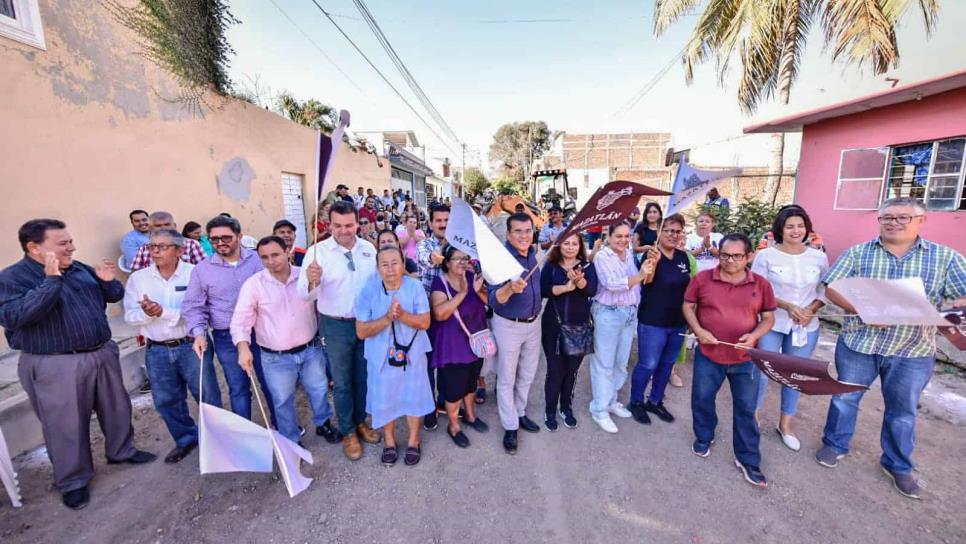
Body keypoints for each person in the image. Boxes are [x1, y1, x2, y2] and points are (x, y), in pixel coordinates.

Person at [817, 197, 966, 500]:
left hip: (913, 349)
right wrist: (864, 309)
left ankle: (897, 464)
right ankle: (835, 444)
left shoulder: (946, 258)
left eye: (903, 218)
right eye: (888, 217)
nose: (894, 222)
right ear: (880, 220)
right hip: (860, 343)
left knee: (902, 412)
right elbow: (832, 286)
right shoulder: (859, 253)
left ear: (921, 221)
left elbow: (961, 297)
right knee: (845, 398)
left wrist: (937, 310)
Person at [0, 219, 155, 510]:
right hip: (55, 364)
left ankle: (122, 451)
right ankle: (72, 480)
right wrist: (51, 280)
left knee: (117, 407)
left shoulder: (78, 268)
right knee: (64, 424)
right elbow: (16, 317)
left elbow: (112, 297)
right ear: (34, 247)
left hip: (101, 352)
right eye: (63, 243)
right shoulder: (12, 279)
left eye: (70, 241)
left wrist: (109, 283)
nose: (72, 246)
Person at [682, 233, 776, 488]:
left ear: (748, 257)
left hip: (745, 357)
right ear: (718, 254)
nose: (730, 260)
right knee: (702, 399)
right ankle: (704, 436)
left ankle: (747, 458)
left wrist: (755, 335)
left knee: (746, 408)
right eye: (724, 255)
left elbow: (768, 318)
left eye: (736, 256)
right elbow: (688, 306)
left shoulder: (761, 284)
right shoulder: (703, 279)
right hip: (709, 355)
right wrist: (699, 331)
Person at [123, 229, 222, 464]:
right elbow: (129, 315)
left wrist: (163, 312)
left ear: (179, 250)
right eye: (152, 246)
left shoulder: (195, 274)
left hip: (191, 346)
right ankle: (186, 439)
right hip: (156, 350)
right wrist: (148, 314)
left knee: (207, 395)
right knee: (166, 400)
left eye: (162, 246)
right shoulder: (139, 278)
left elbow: (202, 313)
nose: (155, 251)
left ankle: (219, 441)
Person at [230, 236, 339, 445]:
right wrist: (243, 348)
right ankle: (291, 438)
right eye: (264, 257)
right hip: (275, 357)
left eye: (275, 255)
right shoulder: (254, 285)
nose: (271, 261)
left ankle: (323, 423)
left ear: (287, 252)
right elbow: (240, 321)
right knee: (282, 400)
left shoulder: (306, 277)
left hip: (311, 349)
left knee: (319, 389)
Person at [299, 201, 380, 461]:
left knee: (363, 377)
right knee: (343, 382)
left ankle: (360, 422)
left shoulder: (368, 248)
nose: (344, 230)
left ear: (357, 223)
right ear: (329, 225)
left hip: (365, 323)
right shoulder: (316, 253)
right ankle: (348, 432)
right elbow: (304, 295)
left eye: (349, 225)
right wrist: (313, 280)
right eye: (338, 226)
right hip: (335, 325)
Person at [183, 216, 275, 425]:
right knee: (238, 387)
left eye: (226, 237)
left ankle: (283, 428)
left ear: (240, 236)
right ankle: (245, 435)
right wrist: (198, 332)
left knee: (270, 383)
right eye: (214, 239)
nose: (220, 243)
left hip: (263, 331)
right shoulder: (202, 270)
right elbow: (194, 305)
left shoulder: (258, 260)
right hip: (227, 337)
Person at [750, 206, 828, 452]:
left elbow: (825, 289)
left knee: (794, 377)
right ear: (780, 229)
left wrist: (810, 310)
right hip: (772, 323)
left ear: (807, 228)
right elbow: (758, 290)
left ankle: (785, 424)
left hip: (805, 325)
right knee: (763, 373)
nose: (796, 230)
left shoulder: (819, 257)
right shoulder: (766, 256)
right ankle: (753, 417)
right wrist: (786, 306)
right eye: (790, 226)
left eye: (800, 225)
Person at [355, 247, 433, 466]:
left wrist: (403, 315)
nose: (390, 269)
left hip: (412, 355)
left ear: (403, 264)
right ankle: (389, 441)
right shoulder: (368, 290)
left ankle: (413, 440)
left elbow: (425, 322)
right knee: (385, 399)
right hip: (380, 356)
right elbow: (361, 331)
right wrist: (387, 318)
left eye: (395, 263)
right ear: (377, 268)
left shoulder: (415, 287)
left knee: (414, 397)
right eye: (384, 264)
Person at [589, 222, 654, 433]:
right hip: (608, 313)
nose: (623, 240)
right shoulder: (602, 256)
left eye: (627, 236)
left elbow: (639, 282)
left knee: (620, 363)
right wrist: (641, 275)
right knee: (604, 363)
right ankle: (599, 409)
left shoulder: (628, 254)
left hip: (629, 314)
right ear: (609, 235)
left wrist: (649, 267)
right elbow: (612, 284)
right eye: (619, 236)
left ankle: (610, 400)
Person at [628, 214, 691, 426]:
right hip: (653, 322)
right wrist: (652, 264)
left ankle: (655, 401)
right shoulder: (651, 256)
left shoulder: (683, 257)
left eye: (678, 231)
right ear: (660, 233)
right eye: (669, 230)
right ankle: (636, 401)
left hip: (678, 323)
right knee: (648, 364)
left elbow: (688, 288)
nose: (674, 235)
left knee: (666, 364)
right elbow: (646, 281)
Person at [488, 213, 543, 454]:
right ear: (508, 234)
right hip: (508, 325)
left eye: (528, 230)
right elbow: (493, 299)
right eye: (518, 231)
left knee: (528, 373)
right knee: (507, 377)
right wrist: (510, 288)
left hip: (533, 324)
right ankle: (510, 426)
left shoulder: (533, 255)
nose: (524, 235)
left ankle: (519, 413)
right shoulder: (499, 260)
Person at [429, 246, 491, 447]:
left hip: (475, 341)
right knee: (454, 389)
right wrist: (463, 293)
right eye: (457, 259)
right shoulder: (440, 283)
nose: (463, 262)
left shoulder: (473, 278)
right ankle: (454, 425)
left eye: (466, 258)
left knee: (471, 383)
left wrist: (479, 290)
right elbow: (440, 314)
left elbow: (489, 303)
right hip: (452, 346)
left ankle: (471, 416)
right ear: (446, 262)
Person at [541, 233, 598, 431]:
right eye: (566, 243)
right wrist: (565, 287)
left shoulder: (588, 267)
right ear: (559, 245)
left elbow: (592, 290)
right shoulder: (551, 266)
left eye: (575, 243)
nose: (571, 247)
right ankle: (550, 410)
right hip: (553, 326)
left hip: (579, 326)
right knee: (555, 371)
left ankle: (566, 407)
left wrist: (580, 282)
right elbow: (543, 289)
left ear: (580, 245)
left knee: (571, 371)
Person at [416, 204, 450, 429]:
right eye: (438, 220)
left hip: (451, 311)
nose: (443, 224)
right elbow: (427, 257)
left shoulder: (459, 244)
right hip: (427, 314)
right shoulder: (424, 245)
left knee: (446, 360)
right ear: (430, 223)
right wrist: (438, 256)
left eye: (447, 220)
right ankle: (429, 408)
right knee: (427, 363)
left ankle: (444, 401)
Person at [130, 211, 206, 271]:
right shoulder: (145, 248)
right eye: (158, 226)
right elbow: (136, 272)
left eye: (167, 224)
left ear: (174, 226)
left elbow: (204, 270)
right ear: (150, 229)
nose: (163, 228)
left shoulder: (191, 245)